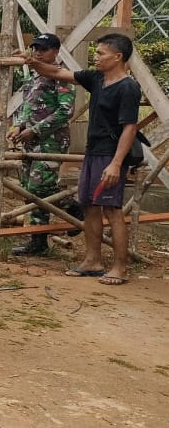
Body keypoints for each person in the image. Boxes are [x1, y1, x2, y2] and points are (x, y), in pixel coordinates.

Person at [26, 33, 141, 286]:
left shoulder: (128, 87)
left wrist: (116, 163)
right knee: (90, 205)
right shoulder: (96, 78)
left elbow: (129, 128)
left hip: (110, 155)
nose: (96, 57)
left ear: (118, 56)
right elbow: (57, 73)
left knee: (112, 210)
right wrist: (32, 63)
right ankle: (93, 261)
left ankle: (120, 267)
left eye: (101, 53)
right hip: (92, 151)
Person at [8, 33, 78, 255]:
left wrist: (35, 130)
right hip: (31, 141)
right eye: (36, 48)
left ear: (55, 51)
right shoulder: (35, 77)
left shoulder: (62, 75)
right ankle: (38, 240)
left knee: (41, 186)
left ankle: (74, 208)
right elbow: (29, 107)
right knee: (30, 190)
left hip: (51, 141)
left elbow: (65, 111)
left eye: (44, 49)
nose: (38, 52)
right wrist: (19, 126)